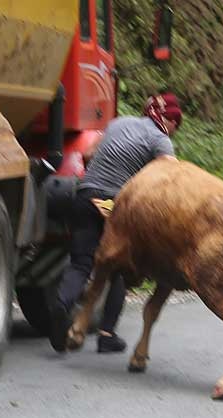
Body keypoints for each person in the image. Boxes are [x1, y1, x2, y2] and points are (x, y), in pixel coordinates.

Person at [49, 92, 183, 353]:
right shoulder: (160, 140)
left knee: (81, 262)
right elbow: (173, 179)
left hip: (85, 195)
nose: (174, 131)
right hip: (114, 207)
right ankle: (106, 334)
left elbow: (88, 154)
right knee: (120, 267)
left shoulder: (119, 123)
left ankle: (61, 304)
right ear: (169, 120)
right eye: (176, 124)